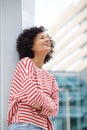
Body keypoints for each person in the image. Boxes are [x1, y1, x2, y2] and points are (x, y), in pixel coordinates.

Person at [7, 26, 60, 130]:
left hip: (43, 126)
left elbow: (55, 109)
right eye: (41, 38)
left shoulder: (50, 78)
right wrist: (47, 103)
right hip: (24, 124)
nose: (47, 40)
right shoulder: (25, 63)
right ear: (31, 45)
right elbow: (32, 94)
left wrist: (39, 106)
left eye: (47, 38)